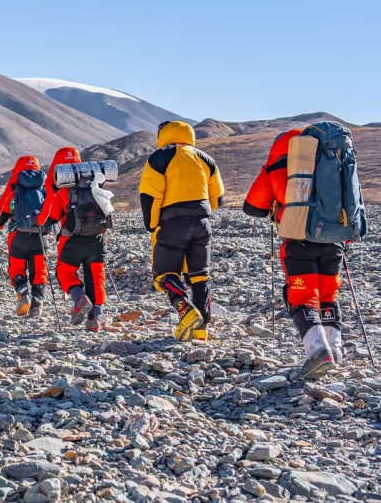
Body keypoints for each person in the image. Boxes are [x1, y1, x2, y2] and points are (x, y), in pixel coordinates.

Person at [242, 129, 342, 379]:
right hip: (333, 240)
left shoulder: (275, 166)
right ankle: (336, 348)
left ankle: (318, 351)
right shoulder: (330, 162)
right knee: (328, 293)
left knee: (303, 296)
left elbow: (252, 207)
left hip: (298, 243)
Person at [139, 121, 225, 342]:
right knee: (199, 275)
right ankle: (201, 328)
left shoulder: (160, 158)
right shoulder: (205, 159)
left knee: (164, 273)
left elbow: (150, 195)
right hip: (202, 222)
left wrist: (152, 224)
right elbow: (218, 198)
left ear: (163, 134)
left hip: (173, 223)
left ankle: (185, 309)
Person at [39, 147, 109, 332]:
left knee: (65, 272)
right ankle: (95, 317)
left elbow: (52, 216)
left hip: (72, 240)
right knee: (96, 276)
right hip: (97, 239)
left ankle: (79, 297)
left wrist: (43, 226)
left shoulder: (62, 190)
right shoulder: (96, 184)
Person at [0, 156, 50, 318]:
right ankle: (37, 304)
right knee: (39, 269)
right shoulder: (44, 188)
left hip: (18, 236)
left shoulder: (14, 189)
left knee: (16, 267)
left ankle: (23, 294)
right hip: (40, 236)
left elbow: (2, 210)